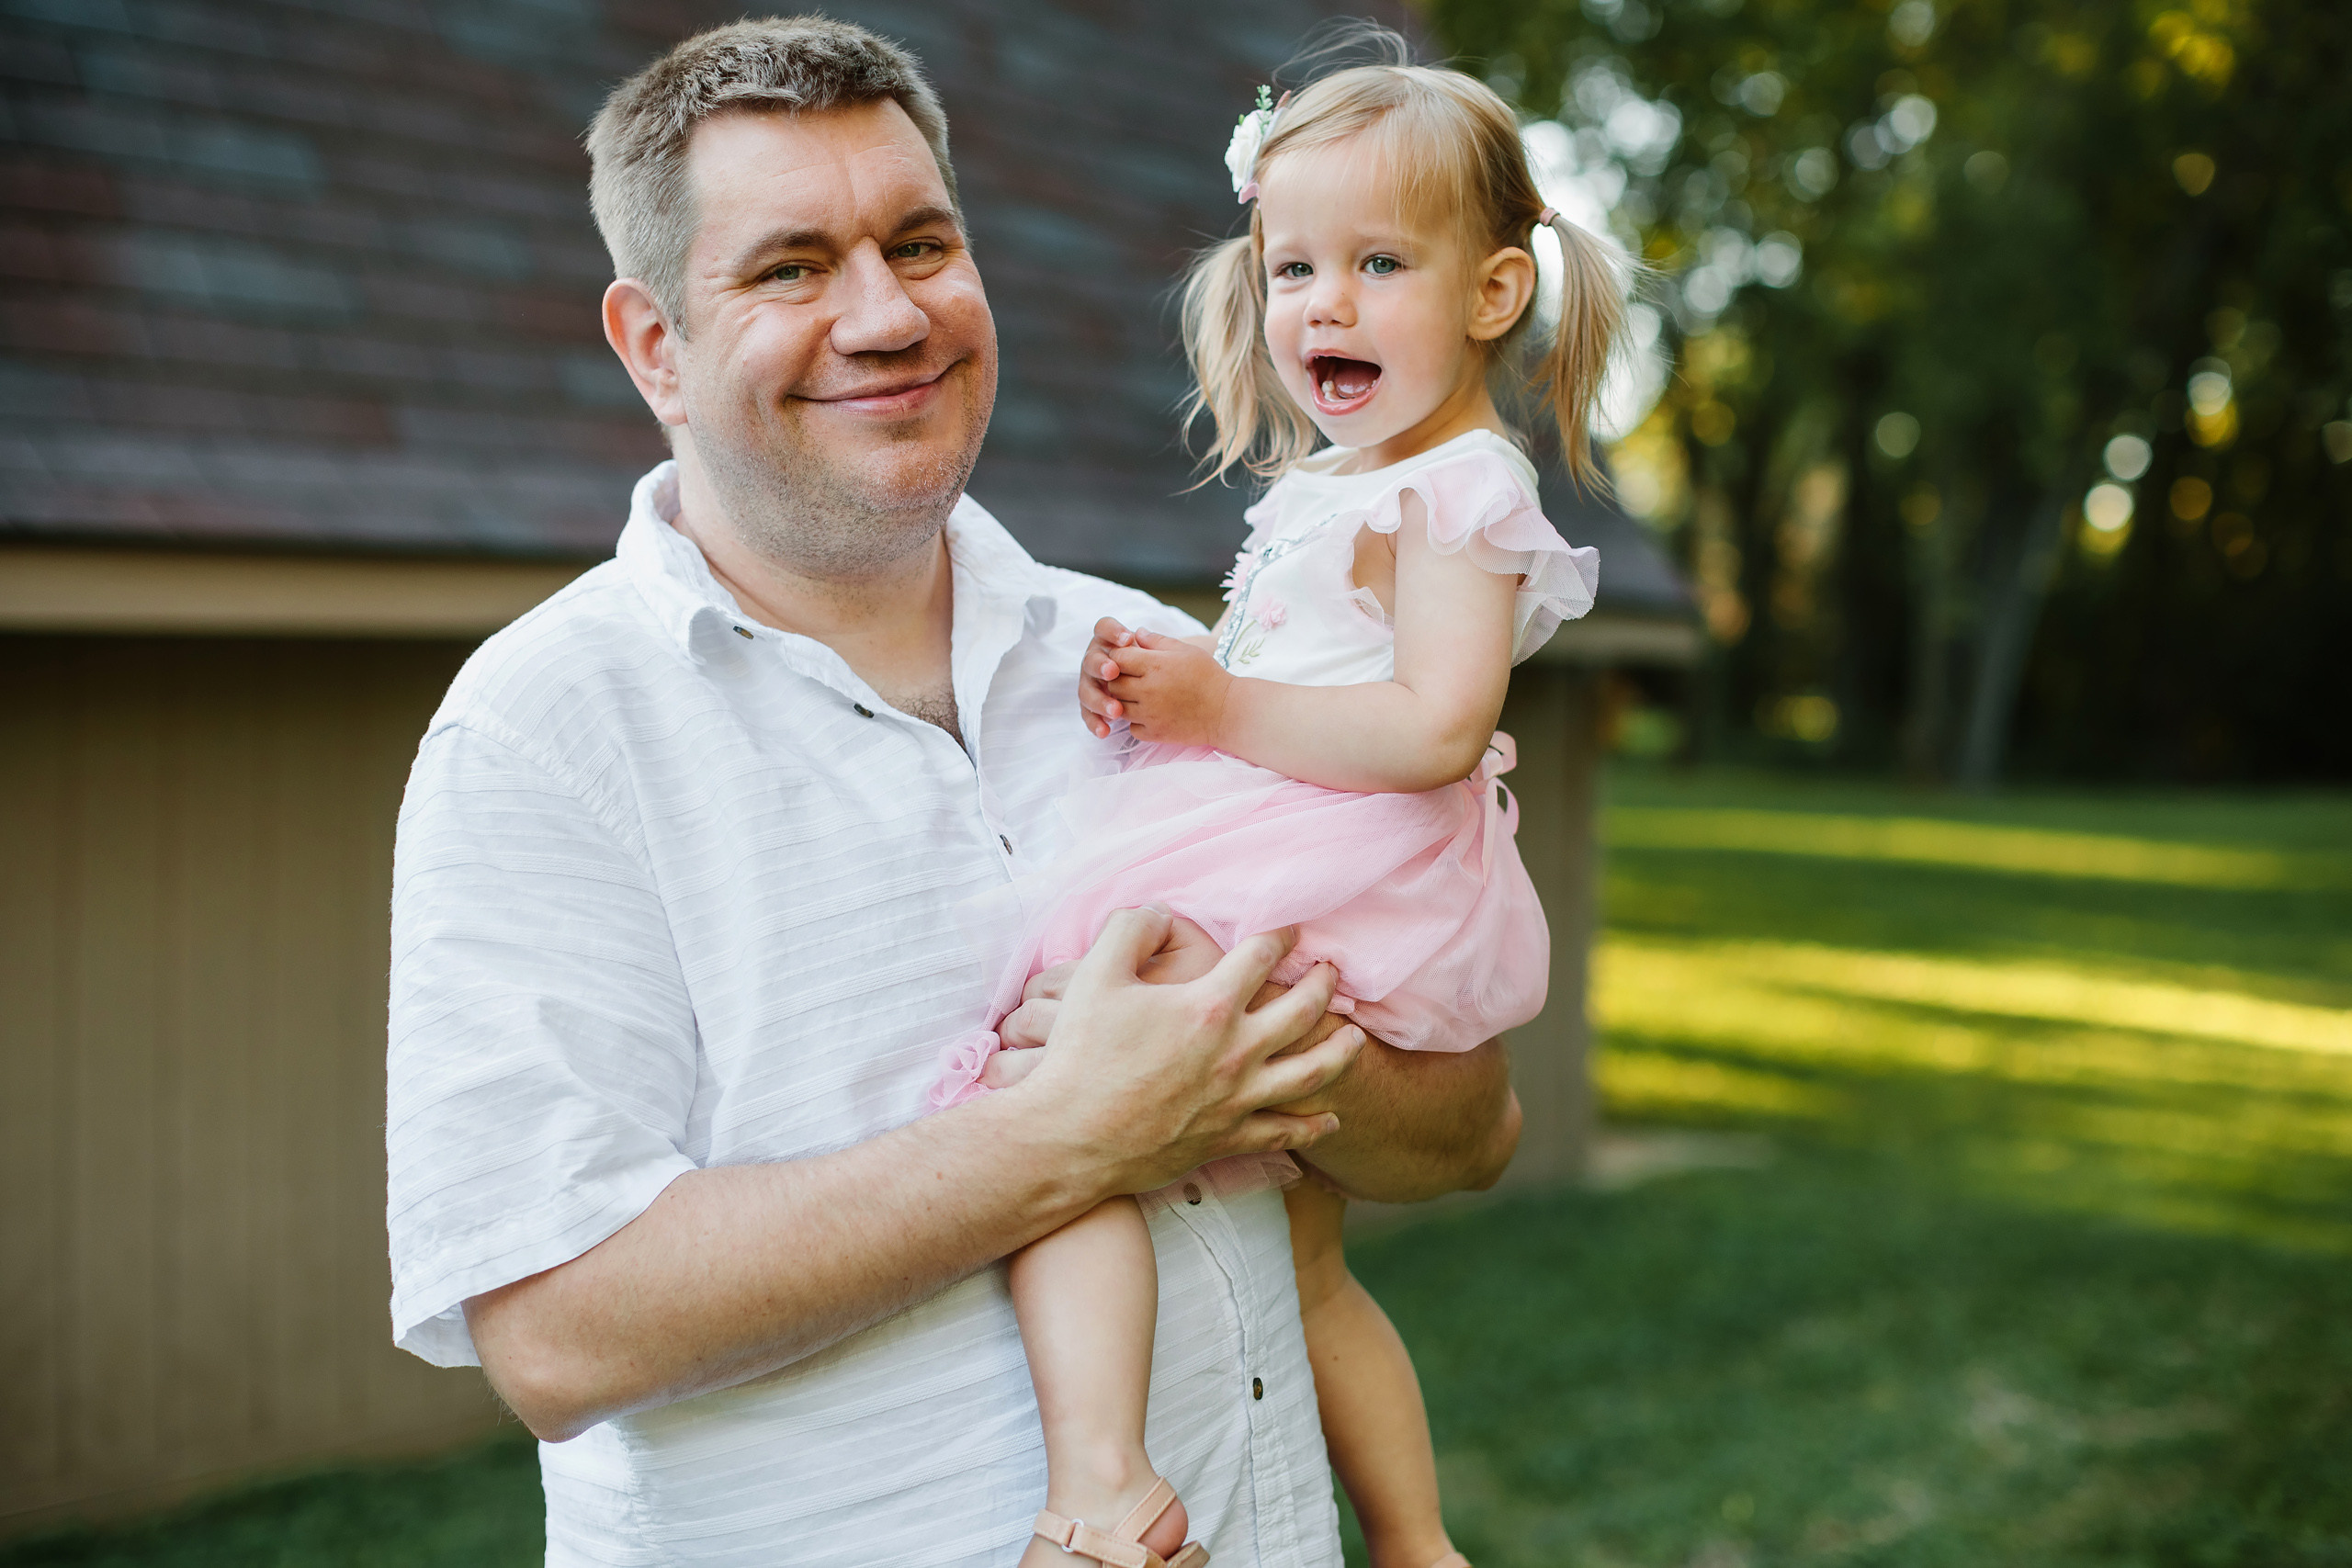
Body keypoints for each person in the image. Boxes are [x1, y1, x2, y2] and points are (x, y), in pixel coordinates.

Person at [384, 17, 1521, 1568]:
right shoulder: (545, 736)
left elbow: (1468, 1132)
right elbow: (557, 1333)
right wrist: (1069, 1133)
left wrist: (1252, 1040)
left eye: (922, 242)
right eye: (790, 267)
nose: (884, 315)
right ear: (656, 345)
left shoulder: (1160, 661)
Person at [924, 40, 1625, 1568]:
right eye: (1292, 263)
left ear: (1494, 295)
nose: (1328, 303)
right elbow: (1307, 666)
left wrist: (1220, 707)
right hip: (1297, 837)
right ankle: (1417, 1545)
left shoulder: (1459, 491)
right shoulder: (1339, 481)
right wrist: (1176, 692)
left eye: (1382, 262)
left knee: (1066, 1109)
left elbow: (1440, 723)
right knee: (1301, 1266)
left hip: (1342, 865)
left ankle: (1103, 1481)